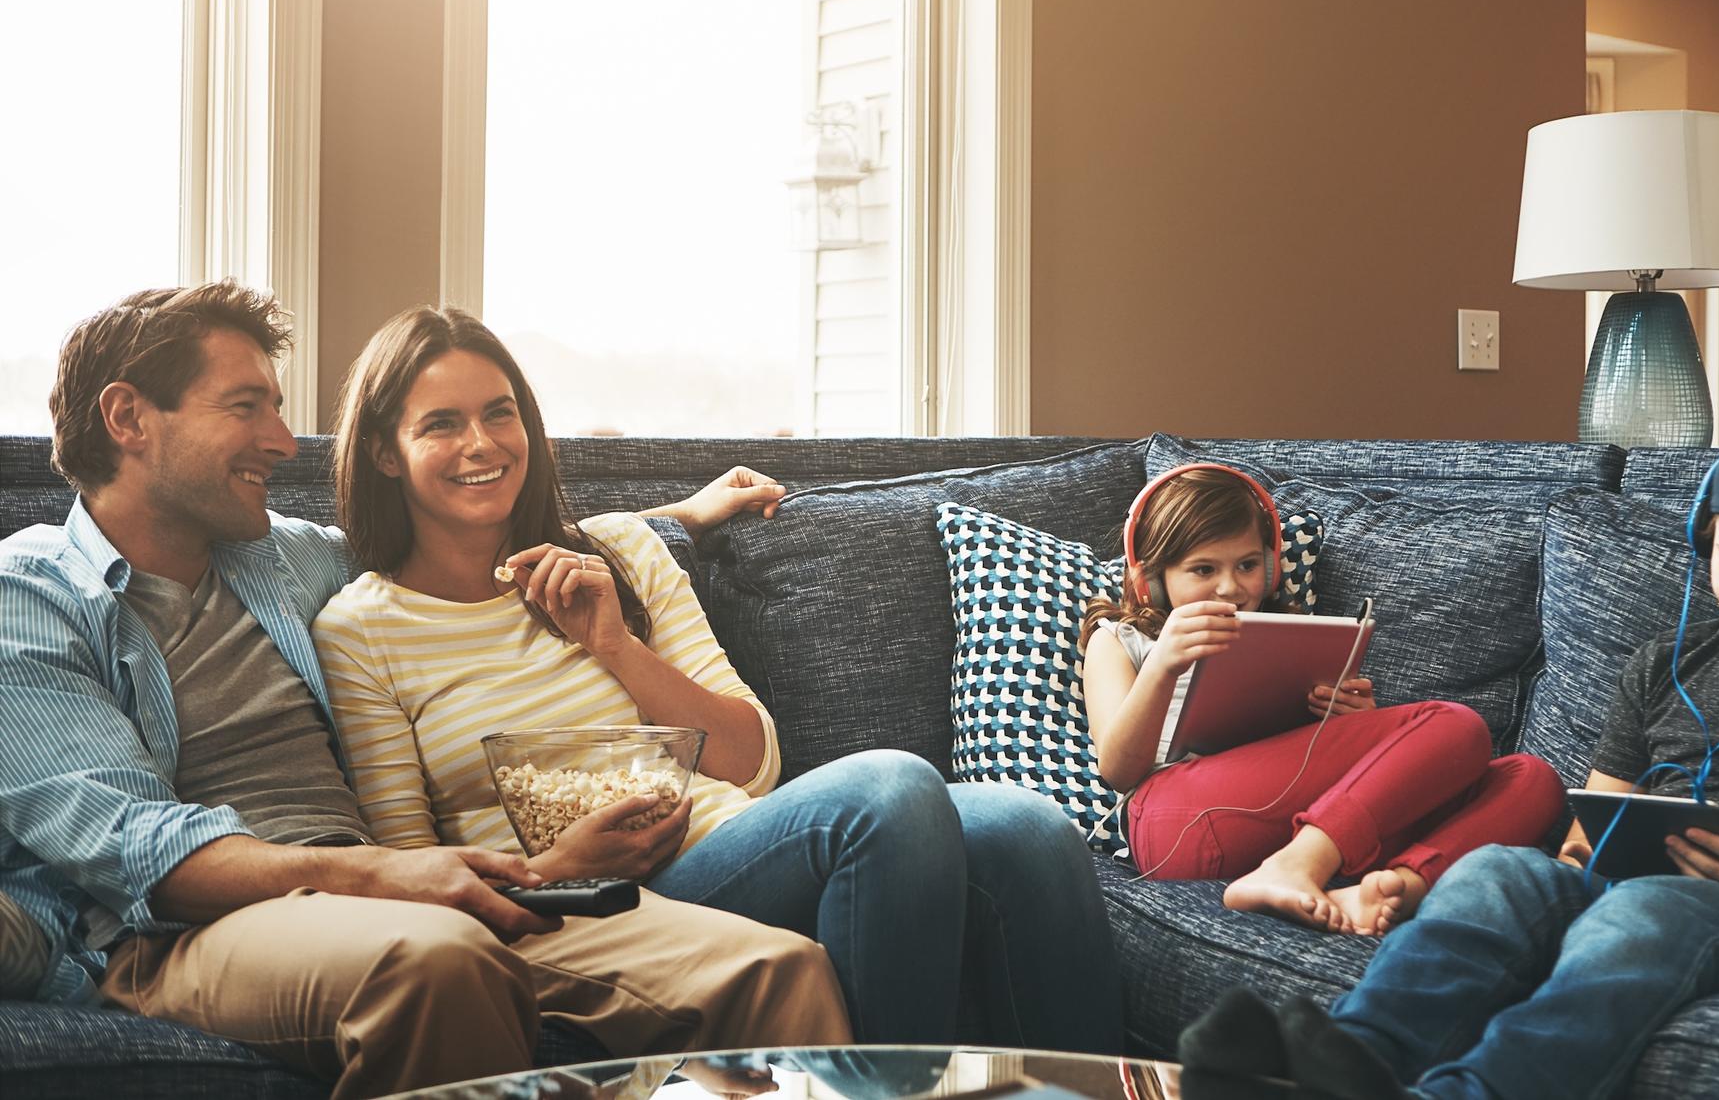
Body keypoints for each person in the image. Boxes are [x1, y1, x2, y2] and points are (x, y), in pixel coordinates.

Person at [0, 283, 851, 1098]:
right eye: (246, 406)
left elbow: (458, 531)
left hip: (362, 899)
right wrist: (391, 875)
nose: (285, 441)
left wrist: (672, 521)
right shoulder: (32, 597)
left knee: (783, 968)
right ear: (127, 418)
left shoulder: (277, 558)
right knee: (440, 957)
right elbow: (144, 849)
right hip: (175, 937)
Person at [311, 304, 1122, 1049]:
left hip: (723, 847)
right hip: (577, 906)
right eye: (442, 424)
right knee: (893, 791)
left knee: (1028, 829)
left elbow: (754, 761)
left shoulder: (619, 550)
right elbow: (409, 870)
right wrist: (559, 870)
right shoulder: (361, 630)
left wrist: (616, 647)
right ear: (386, 450)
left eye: (500, 412)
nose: (483, 444)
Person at [1180, 416, 1719, 1100]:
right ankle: (1342, 1068)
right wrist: (1571, 854)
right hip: (1644, 887)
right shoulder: (1665, 664)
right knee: (1498, 871)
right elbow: (1583, 837)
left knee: (1642, 914)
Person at [1079, 464, 1562, 936]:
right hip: (1171, 820)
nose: (1231, 587)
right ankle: (1297, 865)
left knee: (1533, 779)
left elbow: (1311, 760)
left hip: (1287, 817)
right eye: (1203, 569)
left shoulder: (1289, 634)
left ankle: (1398, 887)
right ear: (1153, 579)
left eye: (1247, 565)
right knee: (1457, 725)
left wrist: (1358, 728)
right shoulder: (1122, 639)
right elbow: (1119, 770)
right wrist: (1163, 665)